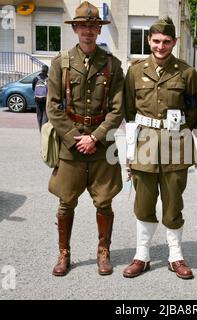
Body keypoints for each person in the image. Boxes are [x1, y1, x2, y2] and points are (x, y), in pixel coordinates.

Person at [46, 1, 124, 277]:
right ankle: (64, 253)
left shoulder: (113, 65)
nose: (88, 31)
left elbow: (118, 109)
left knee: (104, 202)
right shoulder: (61, 62)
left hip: (102, 146)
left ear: (99, 30)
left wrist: (96, 137)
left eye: (93, 26)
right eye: (83, 26)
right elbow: (52, 106)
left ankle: (104, 251)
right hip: (72, 145)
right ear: (76, 29)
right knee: (66, 202)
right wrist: (75, 137)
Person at [123, 17, 197, 279]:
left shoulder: (187, 72)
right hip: (144, 144)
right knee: (143, 203)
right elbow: (129, 111)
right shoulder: (135, 71)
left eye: (167, 41)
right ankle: (141, 256)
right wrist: (131, 150)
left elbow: (194, 110)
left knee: (173, 204)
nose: (161, 46)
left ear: (174, 43)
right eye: (156, 41)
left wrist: (178, 132)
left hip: (175, 145)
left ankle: (175, 256)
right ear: (149, 40)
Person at [32, 64, 49, 131]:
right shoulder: (48, 79)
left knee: (39, 114)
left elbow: (33, 88)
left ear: (41, 70)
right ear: (47, 71)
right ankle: (44, 129)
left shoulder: (36, 78)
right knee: (45, 113)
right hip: (45, 98)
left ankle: (40, 129)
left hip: (37, 98)